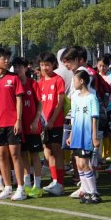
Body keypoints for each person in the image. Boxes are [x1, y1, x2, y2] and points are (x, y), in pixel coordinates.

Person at [0, 48, 27, 201]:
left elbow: (19, 100)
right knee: (2, 155)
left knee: (15, 155)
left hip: (13, 123)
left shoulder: (14, 78)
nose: (7, 61)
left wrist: (18, 120)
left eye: (8, 58)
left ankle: (21, 188)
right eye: (4, 58)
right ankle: (8, 187)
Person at [67, 69, 102, 204]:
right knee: (79, 164)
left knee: (85, 164)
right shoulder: (75, 97)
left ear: (81, 81)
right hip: (77, 134)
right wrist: (71, 135)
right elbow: (74, 118)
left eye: (75, 81)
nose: (73, 83)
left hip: (86, 135)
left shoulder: (91, 97)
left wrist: (94, 136)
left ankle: (94, 192)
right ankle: (86, 192)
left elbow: (94, 118)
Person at [12, 57, 44, 198]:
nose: (17, 69)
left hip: (32, 126)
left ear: (26, 68)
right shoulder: (13, 84)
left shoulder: (33, 83)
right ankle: (27, 184)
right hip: (20, 127)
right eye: (15, 67)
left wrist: (36, 120)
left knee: (35, 154)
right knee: (23, 154)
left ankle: (37, 185)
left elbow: (40, 104)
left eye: (20, 67)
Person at [36, 52, 67, 196]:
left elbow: (60, 103)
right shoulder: (40, 82)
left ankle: (60, 183)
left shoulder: (58, 80)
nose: (44, 68)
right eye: (42, 65)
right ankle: (55, 181)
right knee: (47, 151)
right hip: (44, 123)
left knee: (56, 150)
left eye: (47, 65)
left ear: (53, 64)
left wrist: (52, 120)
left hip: (56, 122)